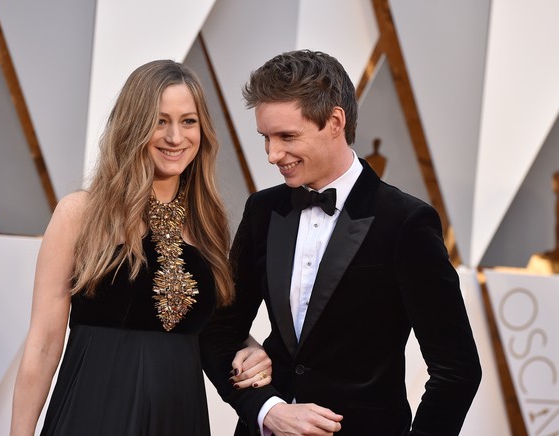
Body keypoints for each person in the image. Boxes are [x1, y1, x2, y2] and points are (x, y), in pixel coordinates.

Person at [200, 50, 482, 435]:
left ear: (335, 121)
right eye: (266, 137)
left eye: (287, 136)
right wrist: (266, 410)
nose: (272, 154)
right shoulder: (263, 210)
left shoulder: (405, 222)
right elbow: (218, 328)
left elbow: (457, 371)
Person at [10, 60, 272, 436]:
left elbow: (206, 325)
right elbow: (43, 344)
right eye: (159, 120)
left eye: (188, 121)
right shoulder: (80, 214)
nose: (175, 137)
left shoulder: (208, 224)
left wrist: (251, 348)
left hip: (179, 416)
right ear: (133, 125)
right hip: (93, 412)